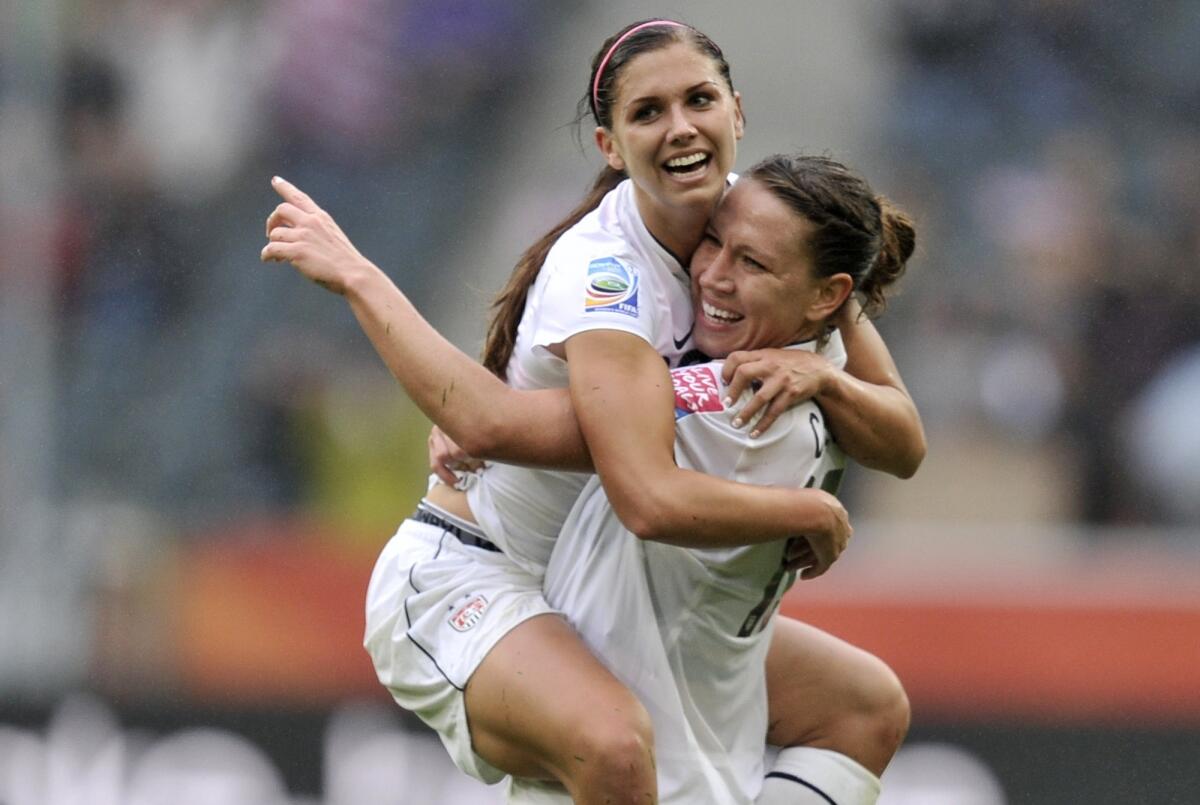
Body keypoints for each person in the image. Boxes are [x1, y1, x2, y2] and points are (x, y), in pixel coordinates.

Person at [261, 19, 922, 804]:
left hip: (620, 594)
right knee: (611, 745)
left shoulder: (771, 230)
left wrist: (826, 381)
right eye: (647, 112)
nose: (679, 126)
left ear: (736, 113)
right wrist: (361, 278)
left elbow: (902, 440)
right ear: (611, 146)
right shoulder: (609, 273)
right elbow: (593, 468)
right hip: (481, 574)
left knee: (863, 708)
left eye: (699, 99)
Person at [507, 153, 917, 804]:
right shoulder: (795, 324)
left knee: (863, 704)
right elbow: (904, 441)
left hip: (638, 643)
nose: (716, 275)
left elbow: (904, 442)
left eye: (751, 262)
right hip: (611, 627)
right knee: (866, 703)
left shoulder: (741, 388)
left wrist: (480, 418)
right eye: (713, 244)